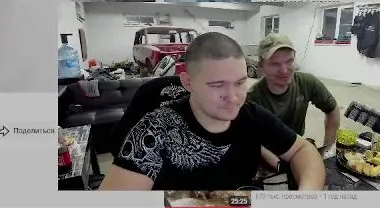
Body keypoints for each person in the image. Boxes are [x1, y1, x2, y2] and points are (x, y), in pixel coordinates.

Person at [99, 32, 325, 190]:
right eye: (217, 85)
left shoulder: (251, 114)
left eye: (240, 82)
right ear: (188, 83)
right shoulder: (155, 129)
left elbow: (302, 150)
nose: (234, 97)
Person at [247, 34, 340, 156]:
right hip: (267, 154)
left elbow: (332, 109)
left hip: (296, 147)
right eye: (275, 64)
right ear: (261, 66)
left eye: (289, 61)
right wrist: (277, 162)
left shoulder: (306, 83)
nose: (284, 70)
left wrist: (327, 149)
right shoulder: (252, 98)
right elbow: (249, 140)